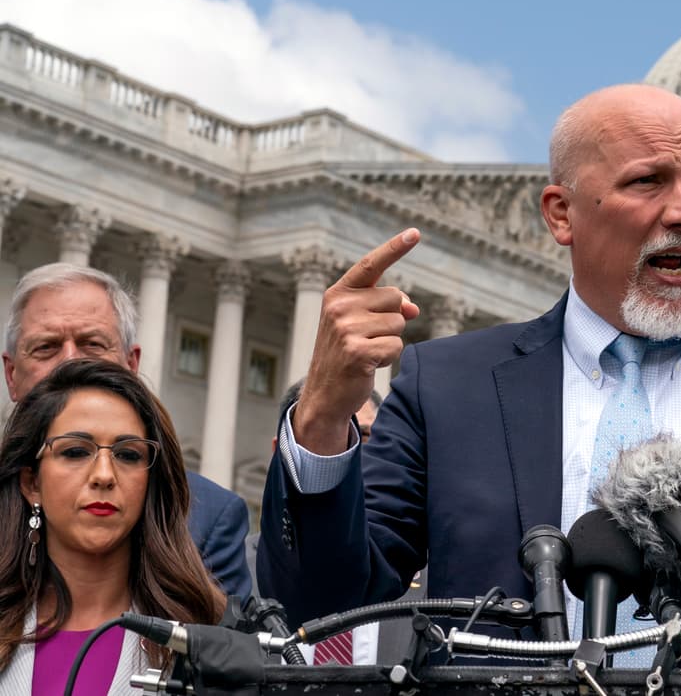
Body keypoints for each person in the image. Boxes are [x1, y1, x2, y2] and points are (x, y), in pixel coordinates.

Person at [258, 84, 681, 669]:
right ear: (561, 214)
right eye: (648, 181)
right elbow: (324, 603)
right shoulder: (448, 387)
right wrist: (319, 418)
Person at [3, 264, 252, 600]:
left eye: (92, 344)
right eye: (46, 347)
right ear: (11, 373)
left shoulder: (207, 518)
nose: (70, 362)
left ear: (131, 366)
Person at [0, 358, 225, 694]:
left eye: (128, 455)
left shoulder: (209, 638)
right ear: (31, 482)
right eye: (76, 451)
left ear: (150, 481)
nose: (104, 475)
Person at [245, 380, 425, 666]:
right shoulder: (232, 568)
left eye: (363, 437)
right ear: (282, 451)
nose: (346, 454)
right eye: (325, 436)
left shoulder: (428, 579)